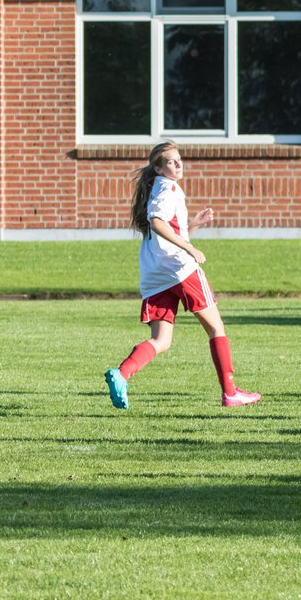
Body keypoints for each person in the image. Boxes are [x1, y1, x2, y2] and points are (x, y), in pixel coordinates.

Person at [103, 141, 260, 410]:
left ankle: (122, 373)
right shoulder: (169, 188)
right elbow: (157, 223)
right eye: (171, 162)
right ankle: (231, 393)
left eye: (179, 160)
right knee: (215, 327)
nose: (178, 165)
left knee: (162, 341)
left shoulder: (154, 188)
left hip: (154, 272)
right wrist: (190, 247)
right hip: (179, 267)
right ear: (158, 167)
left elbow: (164, 229)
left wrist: (192, 227)